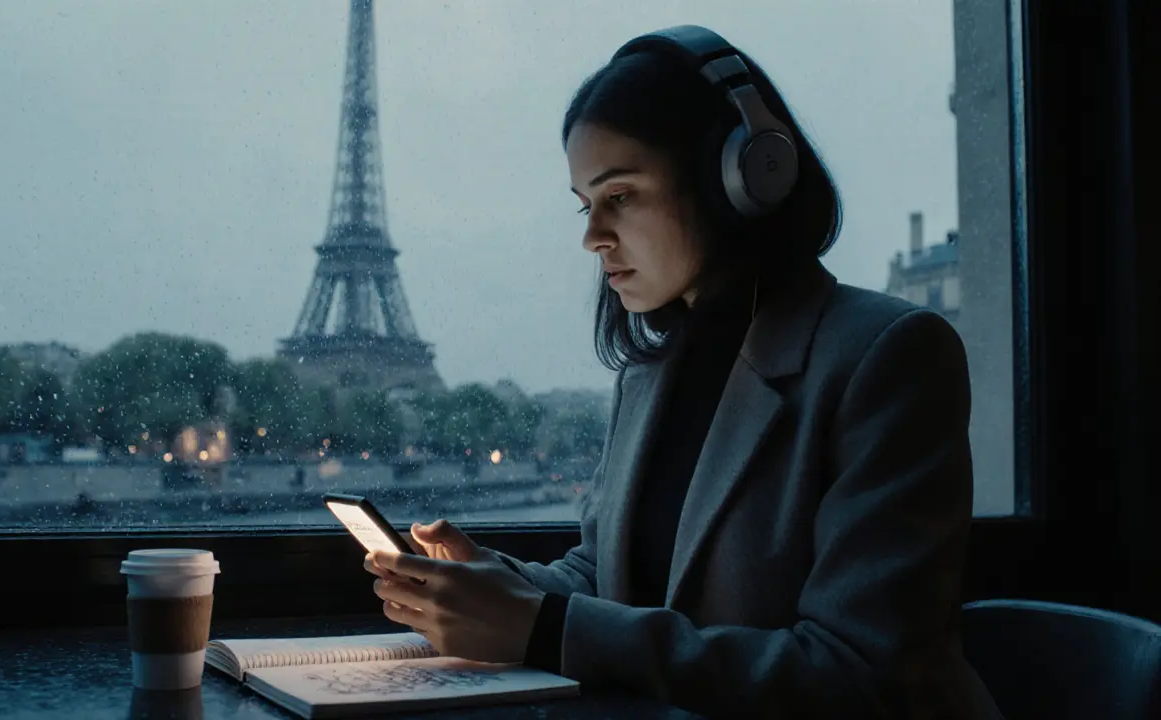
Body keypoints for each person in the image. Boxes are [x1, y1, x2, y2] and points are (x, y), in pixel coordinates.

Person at [363, 25, 1003, 718]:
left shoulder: (893, 357)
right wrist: (491, 580)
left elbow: (857, 674)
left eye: (622, 197)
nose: (591, 236)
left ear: (743, 178)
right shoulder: (649, 374)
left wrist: (541, 626)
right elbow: (610, 576)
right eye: (586, 205)